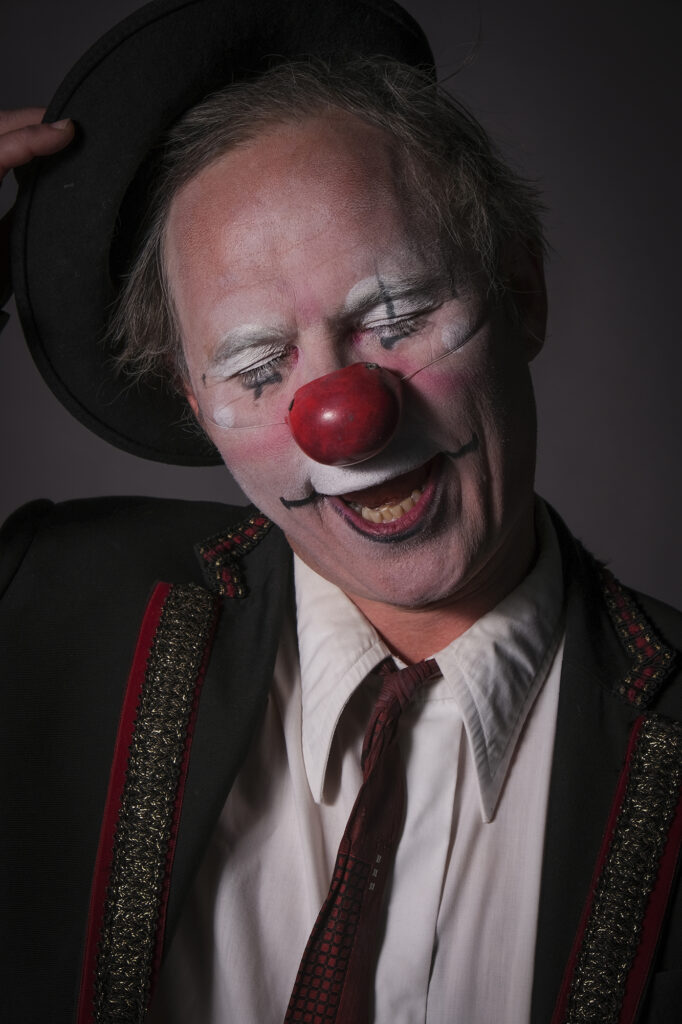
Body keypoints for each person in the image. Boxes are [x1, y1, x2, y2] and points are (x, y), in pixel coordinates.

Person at [1, 2, 681, 1022]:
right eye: (257, 367)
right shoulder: (41, 613)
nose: (343, 425)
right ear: (193, 399)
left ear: (521, 290)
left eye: (396, 317)